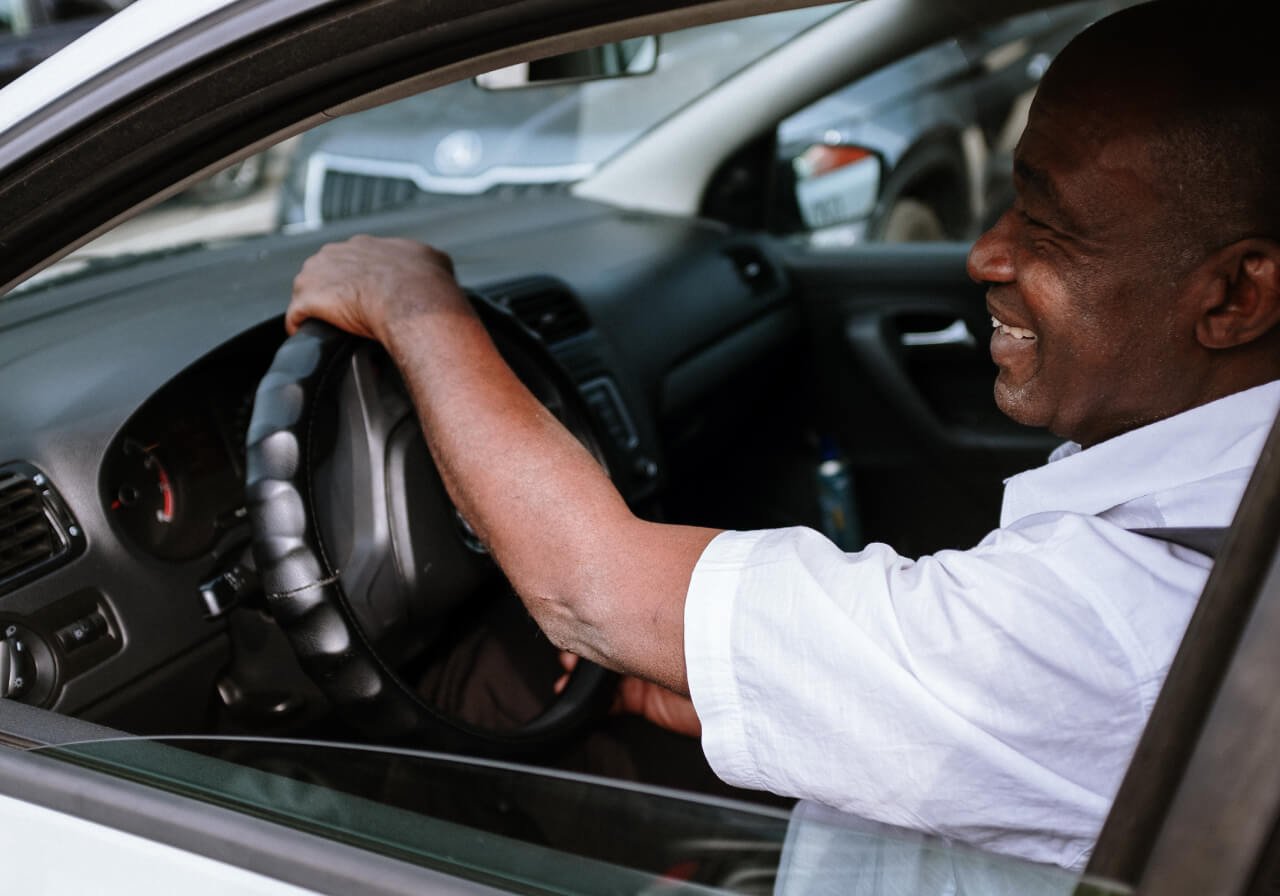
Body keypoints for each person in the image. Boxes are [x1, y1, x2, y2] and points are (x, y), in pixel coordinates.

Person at [284, 0, 1280, 871]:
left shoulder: (1114, 623)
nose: (984, 253)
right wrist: (730, 685)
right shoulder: (1212, 515)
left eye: (1046, 225)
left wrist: (412, 304)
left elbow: (586, 589)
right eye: (1010, 201)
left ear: (1234, 295)